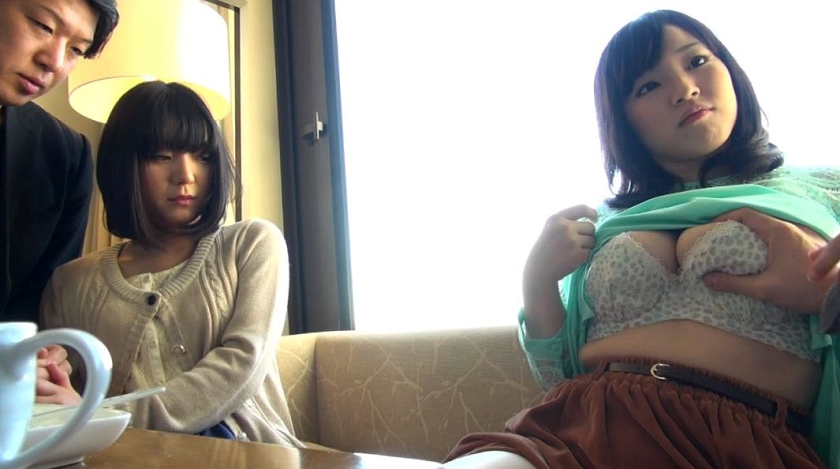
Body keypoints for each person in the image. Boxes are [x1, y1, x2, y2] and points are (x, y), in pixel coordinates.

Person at [443, 9, 839, 469]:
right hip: (584, 428)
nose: (684, 90)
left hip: (747, 444)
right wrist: (537, 280)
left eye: (697, 61)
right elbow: (557, 375)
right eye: (648, 86)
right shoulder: (606, 221)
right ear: (622, 118)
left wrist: (829, 294)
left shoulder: (825, 190)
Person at [34, 81, 303, 447]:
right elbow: (65, 396)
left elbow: (243, 362)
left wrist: (99, 416)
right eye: (161, 156)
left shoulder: (251, 244)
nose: (186, 175)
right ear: (123, 165)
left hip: (250, 453)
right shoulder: (70, 283)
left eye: (203, 156)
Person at [0, 0, 119, 374]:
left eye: (76, 50)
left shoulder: (65, 155)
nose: (53, 61)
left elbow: (39, 309)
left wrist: (44, 361)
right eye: (43, 25)